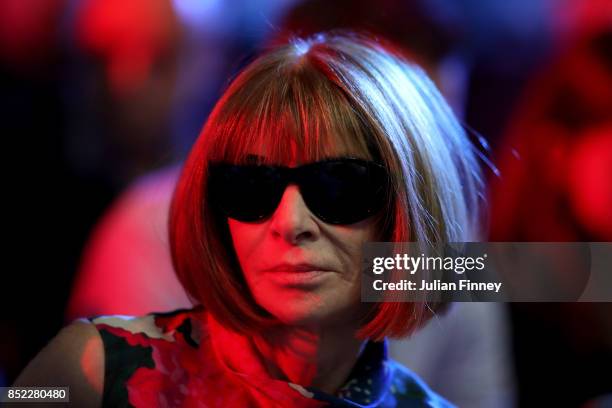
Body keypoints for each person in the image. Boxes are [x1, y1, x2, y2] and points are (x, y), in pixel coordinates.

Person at [15, 32, 484, 407]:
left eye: (339, 185)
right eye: (251, 185)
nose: (290, 221)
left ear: (407, 209)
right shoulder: (91, 371)